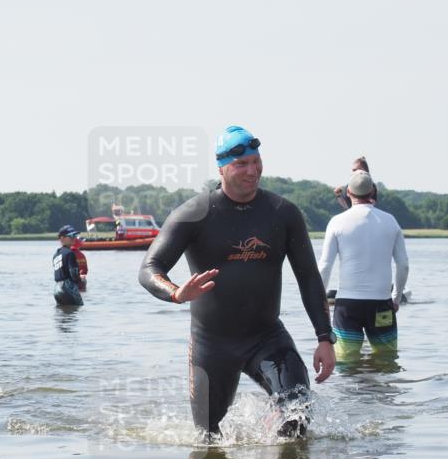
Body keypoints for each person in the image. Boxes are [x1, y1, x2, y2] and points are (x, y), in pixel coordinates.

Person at [139, 125, 335, 439]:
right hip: (211, 344)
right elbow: (150, 268)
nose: (252, 170)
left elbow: (309, 279)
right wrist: (177, 293)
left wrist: (325, 338)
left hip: (267, 338)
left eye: (256, 161)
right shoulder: (194, 214)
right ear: (221, 168)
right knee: (207, 439)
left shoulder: (283, 214)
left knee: (297, 414)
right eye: (241, 164)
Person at [318, 170, 409, 362]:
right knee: (387, 361)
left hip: (347, 307)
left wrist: (320, 302)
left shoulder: (336, 222)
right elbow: (403, 266)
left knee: (346, 362)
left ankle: (349, 393)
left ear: (348, 193)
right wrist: (396, 298)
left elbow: (325, 266)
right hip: (382, 305)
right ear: (373, 192)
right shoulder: (390, 221)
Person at [53, 225, 84, 306]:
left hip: (56, 288)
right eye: (71, 236)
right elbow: (73, 274)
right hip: (68, 286)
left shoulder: (56, 254)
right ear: (62, 238)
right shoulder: (70, 253)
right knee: (78, 308)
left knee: (62, 312)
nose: (74, 238)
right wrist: (80, 280)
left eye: (75, 236)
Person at [58, 224, 89, 291]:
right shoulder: (81, 255)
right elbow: (85, 270)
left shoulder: (63, 253)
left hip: (66, 285)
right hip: (80, 282)